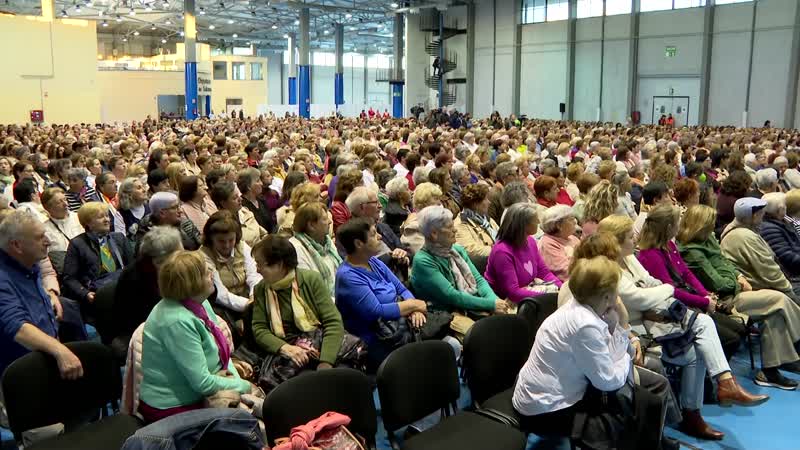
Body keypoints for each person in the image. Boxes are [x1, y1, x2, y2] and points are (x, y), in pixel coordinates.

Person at [585, 219, 769, 440]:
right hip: (634, 328)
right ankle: (710, 396)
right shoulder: (608, 269)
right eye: (628, 236)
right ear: (616, 241)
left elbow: (649, 282)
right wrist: (667, 289)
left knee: (700, 338)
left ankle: (710, 396)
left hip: (653, 318)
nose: (634, 239)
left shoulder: (630, 257)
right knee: (700, 333)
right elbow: (638, 298)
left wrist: (658, 291)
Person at [512, 256, 677, 449]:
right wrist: (623, 329)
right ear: (607, 296)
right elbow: (608, 380)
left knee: (640, 396)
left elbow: (611, 360)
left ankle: (655, 442)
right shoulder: (585, 324)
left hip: (550, 392)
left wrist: (619, 328)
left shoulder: (584, 306)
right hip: (546, 409)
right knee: (635, 400)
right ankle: (652, 443)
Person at [678, 204, 800, 389]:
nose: (714, 226)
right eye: (711, 222)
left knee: (773, 314)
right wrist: (736, 281)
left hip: (737, 291)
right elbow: (718, 283)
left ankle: (770, 371)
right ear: (701, 225)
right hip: (725, 300)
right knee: (779, 299)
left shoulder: (708, 240)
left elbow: (726, 264)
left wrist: (739, 275)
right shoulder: (691, 252)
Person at [138, 251, 252, 423]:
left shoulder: (200, 302)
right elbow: (203, 383)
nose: (212, 274)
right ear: (191, 283)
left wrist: (235, 379)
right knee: (245, 422)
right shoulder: (176, 321)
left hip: (202, 390)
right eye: (206, 273)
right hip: (173, 406)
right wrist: (244, 386)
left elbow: (222, 354)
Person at [251, 235, 365, 391]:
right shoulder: (261, 289)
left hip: (321, 345)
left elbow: (332, 322)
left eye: (260, 264)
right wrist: (284, 348)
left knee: (344, 376)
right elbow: (260, 329)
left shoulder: (311, 280)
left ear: (279, 264)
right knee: (304, 386)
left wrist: (325, 362)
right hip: (289, 351)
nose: (257, 270)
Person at [637, 204, 746, 360]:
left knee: (739, 329)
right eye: (678, 221)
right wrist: (703, 301)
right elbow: (671, 290)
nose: (680, 225)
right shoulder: (650, 255)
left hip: (690, 299)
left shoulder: (669, 245)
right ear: (669, 227)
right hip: (674, 308)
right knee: (731, 339)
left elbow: (686, 274)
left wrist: (705, 295)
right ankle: (710, 380)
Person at [335, 219, 428, 368]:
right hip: (377, 339)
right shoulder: (348, 276)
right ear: (359, 244)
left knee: (444, 341)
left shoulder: (373, 261)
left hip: (399, 324)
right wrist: (412, 305)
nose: (379, 236)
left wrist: (414, 310)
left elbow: (402, 289)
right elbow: (377, 311)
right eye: (373, 234)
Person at [410, 206, 508, 314]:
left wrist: (495, 301)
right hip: (446, 315)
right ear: (434, 234)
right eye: (450, 227)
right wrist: (491, 304)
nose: (455, 229)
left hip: (472, 305)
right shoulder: (423, 261)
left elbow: (478, 280)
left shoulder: (456, 249)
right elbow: (452, 296)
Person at [114, 226, 183, 345]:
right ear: (159, 260)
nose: (184, 258)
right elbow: (151, 319)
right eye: (179, 254)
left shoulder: (169, 269)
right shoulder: (134, 278)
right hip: (143, 332)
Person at [721, 197, 800, 301]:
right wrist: (791, 293)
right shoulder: (746, 237)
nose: (763, 218)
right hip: (766, 289)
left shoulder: (733, 230)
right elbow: (769, 271)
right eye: (761, 214)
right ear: (754, 216)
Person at [484, 203, 562, 303]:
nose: (538, 222)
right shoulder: (502, 252)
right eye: (535, 220)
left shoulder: (530, 241)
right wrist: (549, 296)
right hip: (504, 300)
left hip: (528, 290)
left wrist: (560, 287)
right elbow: (513, 293)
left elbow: (543, 272)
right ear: (523, 225)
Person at [62, 202, 133, 308]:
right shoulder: (77, 244)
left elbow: (132, 266)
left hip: (123, 289)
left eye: (107, 215)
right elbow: (69, 278)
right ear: (88, 223)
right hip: (98, 295)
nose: (107, 220)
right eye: (100, 217)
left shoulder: (119, 238)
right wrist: (85, 294)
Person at [201, 211, 262, 317]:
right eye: (221, 241)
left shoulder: (242, 247)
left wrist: (253, 298)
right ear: (211, 238)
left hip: (251, 302)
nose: (227, 245)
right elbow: (220, 294)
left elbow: (254, 277)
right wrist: (250, 305)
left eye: (231, 240)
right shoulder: (204, 256)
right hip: (222, 309)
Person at [289, 202, 342, 300]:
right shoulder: (296, 248)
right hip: (322, 305)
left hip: (340, 297)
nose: (330, 222)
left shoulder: (326, 241)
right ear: (311, 225)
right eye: (325, 219)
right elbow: (311, 291)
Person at [135, 192, 202, 252]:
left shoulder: (187, 225)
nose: (180, 211)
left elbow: (201, 249)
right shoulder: (146, 236)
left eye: (179, 206)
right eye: (175, 207)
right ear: (162, 213)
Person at [454, 183, 498, 269]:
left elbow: (502, 236)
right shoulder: (460, 224)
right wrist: (499, 249)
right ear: (475, 204)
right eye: (485, 199)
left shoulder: (486, 218)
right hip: (481, 270)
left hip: (496, 262)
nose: (489, 202)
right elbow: (471, 251)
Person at [211, 181, 268, 248]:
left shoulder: (245, 211)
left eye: (239, 195)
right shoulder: (220, 224)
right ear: (223, 203)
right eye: (235, 198)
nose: (240, 199)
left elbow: (263, 233)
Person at [759, 192, 800, 280]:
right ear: (780, 209)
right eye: (785, 205)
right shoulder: (769, 229)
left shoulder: (782, 220)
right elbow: (788, 258)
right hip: (793, 276)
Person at [538, 205, 581, 282]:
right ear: (559, 225)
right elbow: (566, 272)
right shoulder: (547, 244)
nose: (575, 221)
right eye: (571, 219)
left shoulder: (572, 237)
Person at [401, 182, 444, 254]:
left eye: (439, 199)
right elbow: (425, 256)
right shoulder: (414, 228)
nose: (440, 203)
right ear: (424, 203)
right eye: (436, 199)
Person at [41, 187, 84, 253]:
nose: (66, 204)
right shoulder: (44, 230)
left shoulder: (80, 217)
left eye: (65, 200)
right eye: (59, 202)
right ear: (47, 207)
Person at [238, 168, 274, 233]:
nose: (261, 183)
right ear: (248, 186)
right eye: (257, 181)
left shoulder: (261, 200)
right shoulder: (242, 206)